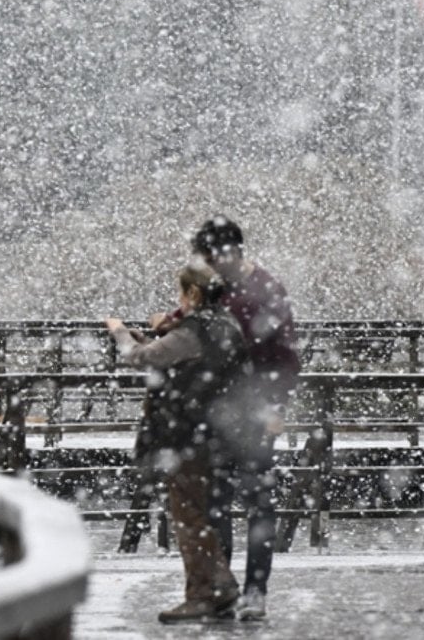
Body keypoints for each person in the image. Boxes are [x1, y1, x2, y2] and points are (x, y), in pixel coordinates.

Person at [151, 216, 301, 622]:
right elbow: (199, 317)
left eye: (209, 257)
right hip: (215, 412)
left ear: (226, 253)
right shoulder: (228, 287)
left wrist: (275, 407)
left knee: (254, 502)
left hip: (251, 411)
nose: (208, 265)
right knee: (216, 502)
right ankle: (223, 588)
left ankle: (253, 589)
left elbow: (285, 357)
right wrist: (172, 323)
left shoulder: (264, 291)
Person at [106, 263, 250, 624]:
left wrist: (120, 332)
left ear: (194, 295)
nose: (179, 300)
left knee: (188, 514)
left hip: (188, 434)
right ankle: (220, 584)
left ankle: (203, 593)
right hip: (221, 430)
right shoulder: (228, 325)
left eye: (182, 293)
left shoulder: (195, 330)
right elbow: (176, 355)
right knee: (203, 511)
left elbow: (140, 358)